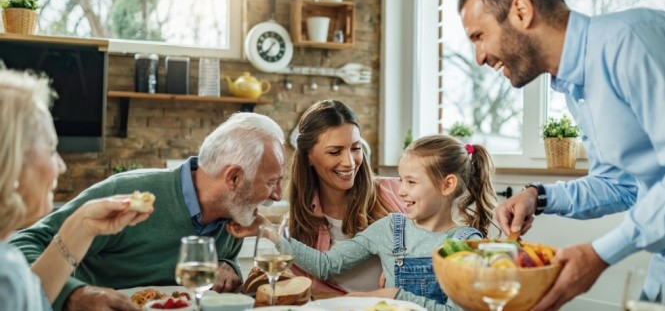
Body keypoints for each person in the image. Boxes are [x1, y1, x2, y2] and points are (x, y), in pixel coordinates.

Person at [457, 0, 665, 309]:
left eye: (479, 36)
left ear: (521, 11)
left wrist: (599, 254)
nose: (478, 57)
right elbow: (621, 184)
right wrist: (538, 196)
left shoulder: (632, 41)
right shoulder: (576, 86)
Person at [10, 108, 286, 311]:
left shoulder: (234, 214)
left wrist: (228, 268)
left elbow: (211, 276)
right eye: (272, 182)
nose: (277, 195)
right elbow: (21, 245)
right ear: (234, 178)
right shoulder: (130, 193)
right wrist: (73, 294)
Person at [269, 135, 496, 310]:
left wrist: (393, 296)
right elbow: (326, 265)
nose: (402, 190)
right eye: (401, 180)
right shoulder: (390, 228)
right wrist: (270, 234)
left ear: (447, 185)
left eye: (412, 182)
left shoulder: (464, 244)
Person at [0, 69, 151, 310]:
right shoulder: (5, 275)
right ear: (11, 161)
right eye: (51, 149)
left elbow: (33, 301)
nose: (60, 166)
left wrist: (82, 224)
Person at [287, 99, 405, 294]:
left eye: (356, 148)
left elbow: (435, 243)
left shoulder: (398, 192)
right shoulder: (295, 228)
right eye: (335, 152)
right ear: (308, 157)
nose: (349, 162)